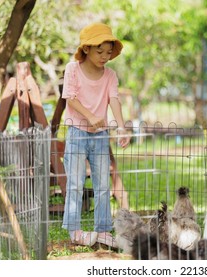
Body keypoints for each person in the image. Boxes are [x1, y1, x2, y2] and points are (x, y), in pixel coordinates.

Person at [61, 22, 130, 247]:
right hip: (77, 133)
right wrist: (90, 115)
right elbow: (70, 98)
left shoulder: (110, 75)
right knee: (75, 183)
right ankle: (75, 231)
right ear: (87, 49)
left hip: (100, 136)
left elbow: (115, 100)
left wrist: (121, 127)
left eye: (108, 52)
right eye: (99, 51)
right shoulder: (73, 69)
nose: (104, 56)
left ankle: (102, 231)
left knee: (103, 186)